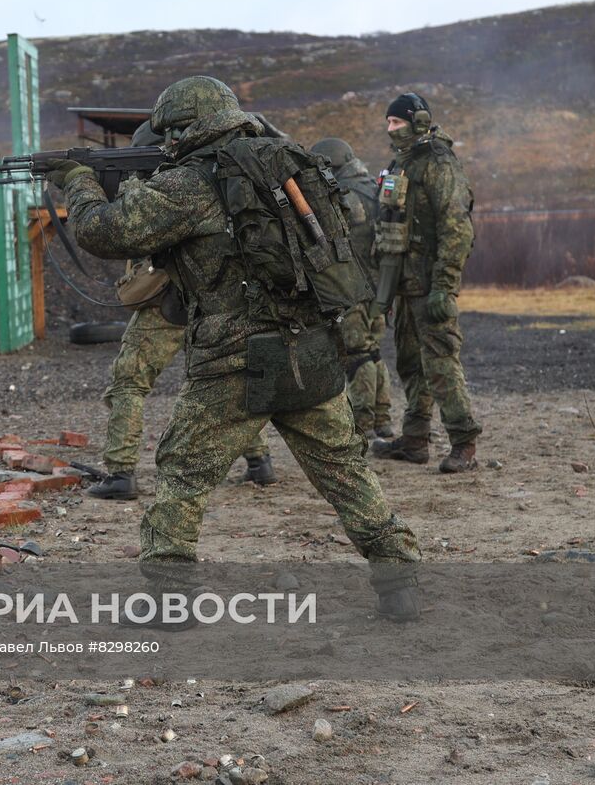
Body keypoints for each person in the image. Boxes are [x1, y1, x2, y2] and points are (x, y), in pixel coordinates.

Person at [48, 76, 421, 617]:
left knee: (182, 474)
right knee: (345, 471)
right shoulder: (291, 162)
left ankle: (169, 600)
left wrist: (78, 181)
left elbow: (105, 233)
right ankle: (399, 583)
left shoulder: (194, 181)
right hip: (309, 347)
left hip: (235, 358)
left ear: (185, 127)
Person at [93, 123, 274, 500]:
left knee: (129, 381)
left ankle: (121, 472)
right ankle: (260, 461)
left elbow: (122, 230)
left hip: (168, 302)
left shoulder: (164, 189)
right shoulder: (212, 177)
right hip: (212, 301)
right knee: (224, 383)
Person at [368, 93, 482, 473]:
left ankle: (464, 442)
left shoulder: (439, 163)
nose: (390, 129)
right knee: (409, 364)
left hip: (430, 285)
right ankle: (415, 439)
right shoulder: (400, 164)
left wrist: (444, 286)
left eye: (396, 123)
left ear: (418, 122)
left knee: (441, 363)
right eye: (388, 123)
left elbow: (457, 229)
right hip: (405, 284)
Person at [310, 137, 395, 442]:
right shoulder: (372, 188)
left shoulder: (344, 195)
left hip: (353, 285)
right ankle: (382, 420)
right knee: (372, 352)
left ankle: (364, 425)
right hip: (378, 285)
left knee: (358, 354)